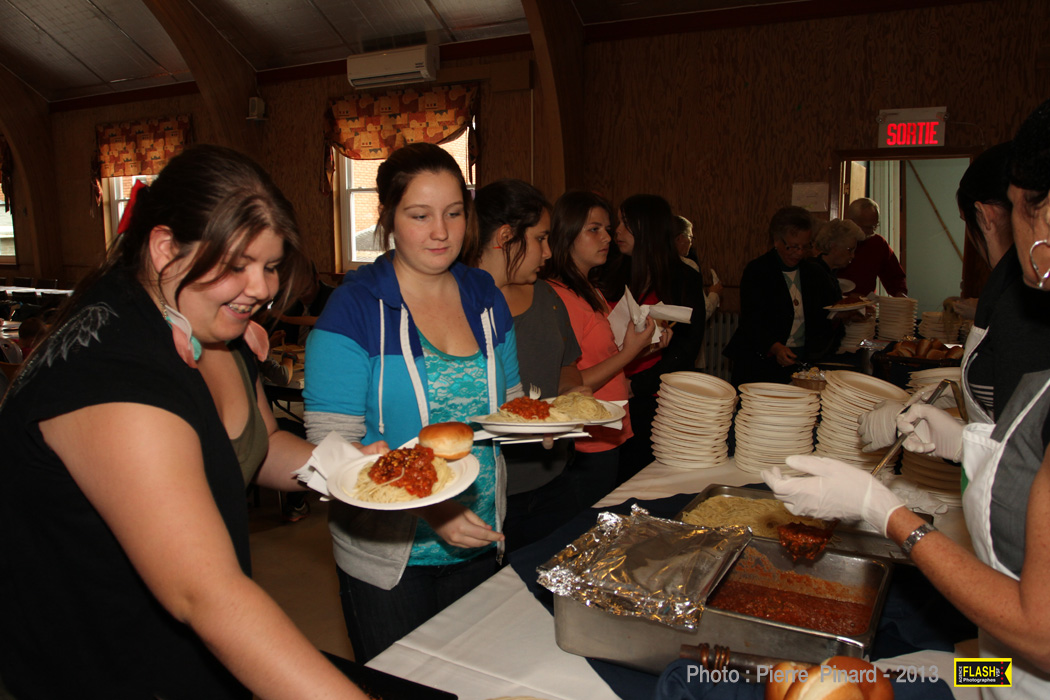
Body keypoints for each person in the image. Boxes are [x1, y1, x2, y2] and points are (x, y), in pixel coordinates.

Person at [0, 145, 370, 698]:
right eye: (238, 265)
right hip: (96, 669)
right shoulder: (114, 377)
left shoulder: (206, 320)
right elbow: (206, 594)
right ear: (165, 249)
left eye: (269, 267)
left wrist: (355, 469)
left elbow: (259, 445)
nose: (264, 289)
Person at [765, 98, 1050, 699]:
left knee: (885, 679)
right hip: (998, 667)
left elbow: (1040, 631)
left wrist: (882, 511)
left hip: (1029, 675)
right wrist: (966, 442)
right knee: (927, 671)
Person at [303, 142, 521, 663]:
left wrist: (546, 423)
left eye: (453, 214)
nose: (441, 232)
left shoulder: (484, 296)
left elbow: (508, 404)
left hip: (480, 532)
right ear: (389, 219)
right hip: (389, 556)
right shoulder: (354, 307)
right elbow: (328, 445)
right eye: (420, 215)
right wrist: (435, 507)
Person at [470, 178, 588, 551]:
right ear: (505, 237)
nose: (549, 252)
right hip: (487, 491)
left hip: (554, 476)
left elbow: (565, 363)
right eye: (540, 238)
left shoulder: (547, 296)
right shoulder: (456, 307)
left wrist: (571, 396)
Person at [542, 190, 656, 508]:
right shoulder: (559, 297)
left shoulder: (588, 287)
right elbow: (568, 383)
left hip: (606, 426)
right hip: (586, 437)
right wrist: (629, 353)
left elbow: (606, 357)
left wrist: (644, 345)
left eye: (607, 229)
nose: (607, 237)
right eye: (594, 229)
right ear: (567, 235)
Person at [613, 195, 704, 476]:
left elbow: (686, 348)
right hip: (614, 391)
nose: (616, 231)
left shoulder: (683, 278)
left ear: (647, 229)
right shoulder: (614, 272)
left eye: (625, 225)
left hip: (657, 399)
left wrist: (637, 385)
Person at [722, 206, 843, 387]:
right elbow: (752, 321)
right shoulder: (758, 270)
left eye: (805, 246)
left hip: (801, 362)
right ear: (776, 240)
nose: (799, 253)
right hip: (760, 363)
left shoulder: (814, 273)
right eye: (793, 246)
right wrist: (775, 347)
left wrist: (842, 314)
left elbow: (825, 313)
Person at [837, 197, 908, 297]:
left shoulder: (877, 243)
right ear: (851, 221)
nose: (872, 232)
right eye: (867, 227)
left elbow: (894, 276)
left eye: (875, 226)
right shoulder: (834, 242)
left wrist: (900, 293)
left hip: (866, 306)